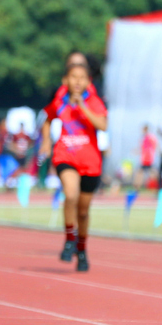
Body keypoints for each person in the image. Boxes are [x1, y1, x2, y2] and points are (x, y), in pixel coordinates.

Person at [40, 63, 107, 272]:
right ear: (65, 80)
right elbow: (47, 118)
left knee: (84, 212)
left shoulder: (94, 102)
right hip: (65, 156)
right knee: (70, 195)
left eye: (82, 78)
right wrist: (45, 141)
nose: (77, 81)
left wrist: (82, 106)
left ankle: (82, 248)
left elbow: (103, 125)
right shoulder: (59, 102)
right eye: (73, 77)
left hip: (90, 162)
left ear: (88, 82)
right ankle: (70, 238)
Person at [134, 125, 157, 190]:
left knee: (146, 172)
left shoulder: (150, 137)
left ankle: (155, 186)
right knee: (145, 172)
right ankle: (138, 187)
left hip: (148, 158)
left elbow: (153, 146)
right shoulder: (144, 137)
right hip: (145, 158)